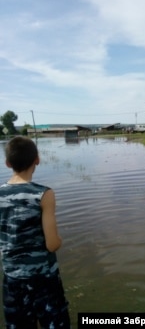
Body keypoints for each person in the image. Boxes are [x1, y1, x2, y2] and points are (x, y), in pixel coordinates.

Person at [0, 136, 71, 329]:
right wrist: (60, 239)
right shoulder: (44, 194)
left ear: (7, 163)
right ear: (37, 159)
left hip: (12, 279)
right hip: (44, 278)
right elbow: (52, 244)